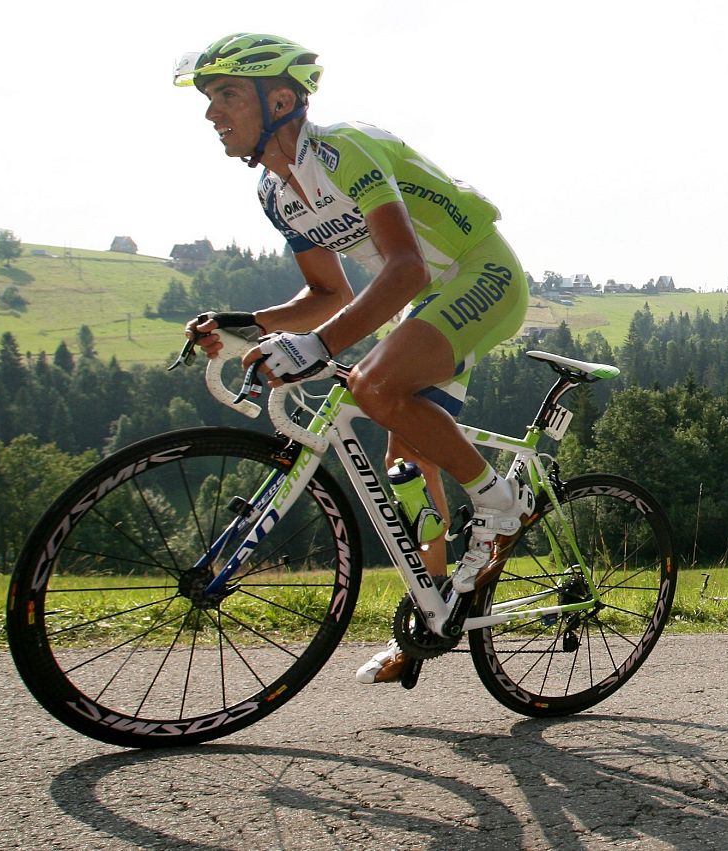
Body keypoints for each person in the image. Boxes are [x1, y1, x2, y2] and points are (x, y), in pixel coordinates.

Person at [175, 34, 532, 685]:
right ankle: (433, 614)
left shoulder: (343, 151)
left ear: (280, 97)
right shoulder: (276, 194)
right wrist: (240, 326)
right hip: (423, 300)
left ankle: (501, 499)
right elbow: (327, 295)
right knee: (403, 467)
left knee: (371, 384)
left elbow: (405, 264)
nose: (211, 113)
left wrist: (317, 347)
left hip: (480, 273)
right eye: (208, 99)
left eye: (225, 94)